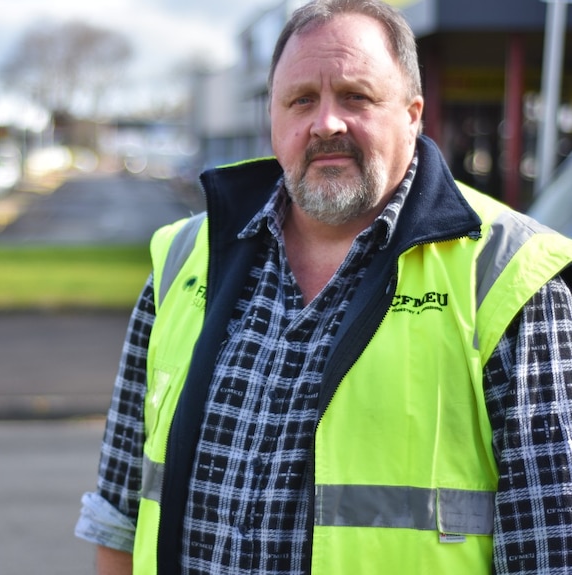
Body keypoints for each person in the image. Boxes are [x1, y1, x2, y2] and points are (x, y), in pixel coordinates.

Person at [75, 0, 572, 573]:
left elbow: (550, 548)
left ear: (413, 114)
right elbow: (119, 509)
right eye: (301, 100)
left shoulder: (509, 277)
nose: (327, 122)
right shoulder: (185, 257)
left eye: (356, 97)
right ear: (275, 119)